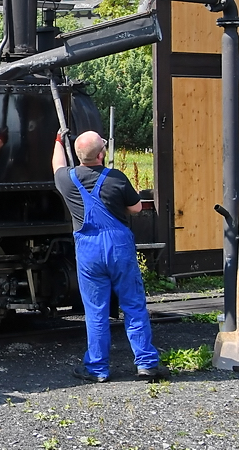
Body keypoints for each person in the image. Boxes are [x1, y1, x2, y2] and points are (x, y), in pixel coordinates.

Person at [52, 129, 168, 382]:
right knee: (134, 306)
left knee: (95, 311)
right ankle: (146, 364)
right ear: (102, 154)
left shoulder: (67, 179)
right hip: (119, 249)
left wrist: (59, 141)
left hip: (89, 251)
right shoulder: (116, 178)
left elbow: (57, 163)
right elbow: (136, 208)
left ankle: (98, 369)